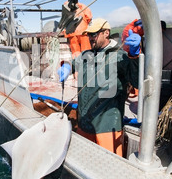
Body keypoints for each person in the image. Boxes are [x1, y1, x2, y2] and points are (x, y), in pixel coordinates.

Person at [58, 18, 141, 157]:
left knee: (109, 166)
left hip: (107, 126)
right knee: (83, 161)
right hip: (84, 123)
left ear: (106, 33)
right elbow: (74, 62)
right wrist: (67, 66)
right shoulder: (86, 55)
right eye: (89, 35)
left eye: (94, 34)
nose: (90, 38)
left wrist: (135, 56)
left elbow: (137, 81)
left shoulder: (120, 56)